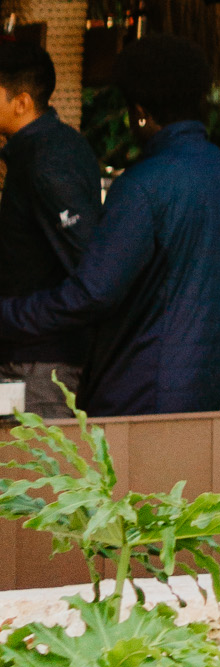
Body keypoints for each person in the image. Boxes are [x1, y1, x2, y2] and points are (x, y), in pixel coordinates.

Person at [0, 33, 220, 416]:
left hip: (132, 392)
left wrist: (6, 316)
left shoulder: (141, 186)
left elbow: (93, 293)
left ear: (140, 111)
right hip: (203, 394)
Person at [0, 34, 101, 419]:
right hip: (33, 358)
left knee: (38, 476)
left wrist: (11, 317)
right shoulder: (44, 149)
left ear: (21, 102)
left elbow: (89, 275)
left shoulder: (49, 160)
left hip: (41, 367)